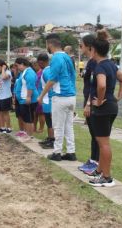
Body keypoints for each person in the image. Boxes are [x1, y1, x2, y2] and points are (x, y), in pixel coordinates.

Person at [88, 30, 122, 187]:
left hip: (103, 108)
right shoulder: (111, 64)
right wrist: (118, 96)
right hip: (111, 106)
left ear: (94, 50)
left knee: (104, 143)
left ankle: (107, 177)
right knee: (102, 141)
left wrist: (98, 101)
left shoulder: (100, 67)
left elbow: (102, 85)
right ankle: (100, 171)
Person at [38, 33, 77, 161]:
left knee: (58, 126)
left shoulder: (55, 58)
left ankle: (57, 152)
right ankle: (71, 152)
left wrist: (41, 95)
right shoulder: (67, 57)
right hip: (71, 96)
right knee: (68, 126)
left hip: (60, 96)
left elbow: (52, 79)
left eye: (46, 45)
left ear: (50, 44)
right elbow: (73, 76)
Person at [76, 34, 100, 174]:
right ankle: (92, 160)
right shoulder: (90, 62)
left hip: (92, 101)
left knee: (96, 134)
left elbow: (95, 84)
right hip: (88, 99)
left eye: (81, 45)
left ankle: (95, 162)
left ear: (89, 46)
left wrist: (89, 103)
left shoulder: (94, 62)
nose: (80, 48)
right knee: (93, 133)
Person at [14, 57, 39, 142]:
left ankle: (29, 136)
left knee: (29, 119)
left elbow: (30, 85)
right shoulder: (24, 72)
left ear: (22, 64)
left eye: (17, 65)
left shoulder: (29, 72)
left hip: (29, 99)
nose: (16, 67)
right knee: (26, 118)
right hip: (23, 99)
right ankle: (26, 134)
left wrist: (28, 97)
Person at [37, 53, 55, 149]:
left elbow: (51, 84)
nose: (38, 65)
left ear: (41, 62)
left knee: (50, 120)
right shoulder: (46, 70)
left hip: (49, 99)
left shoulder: (47, 71)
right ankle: (50, 138)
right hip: (46, 99)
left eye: (39, 63)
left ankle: (52, 140)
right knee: (48, 120)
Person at [0, 59, 12, 133]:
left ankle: (8, 128)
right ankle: (2, 127)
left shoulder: (7, 72)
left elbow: (4, 77)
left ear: (3, 66)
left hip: (6, 96)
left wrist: (4, 69)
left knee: (5, 113)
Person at [32, 61, 45, 133]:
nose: (34, 67)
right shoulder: (36, 73)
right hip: (35, 94)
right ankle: (34, 127)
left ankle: (41, 128)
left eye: (35, 65)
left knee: (41, 113)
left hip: (41, 94)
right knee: (35, 113)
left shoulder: (42, 73)